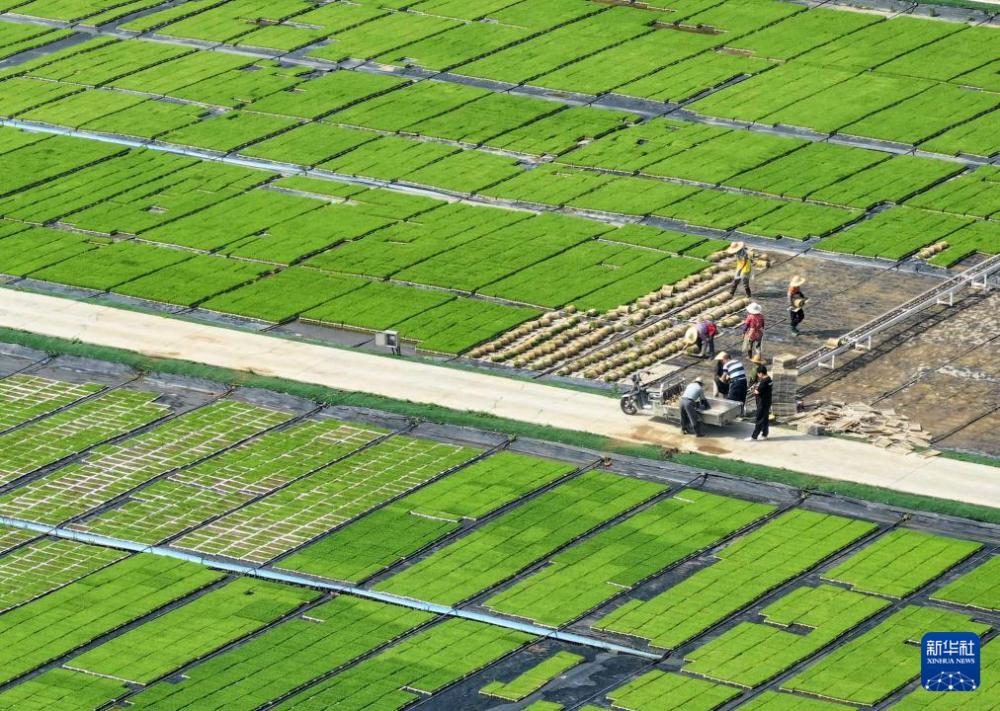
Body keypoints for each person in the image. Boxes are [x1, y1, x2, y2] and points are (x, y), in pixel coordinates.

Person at [745, 366, 773, 441]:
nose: (757, 375)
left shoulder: (764, 381)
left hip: (762, 403)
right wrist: (757, 386)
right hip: (767, 402)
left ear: (761, 373)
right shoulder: (769, 379)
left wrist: (752, 389)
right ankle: (765, 434)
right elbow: (763, 389)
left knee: (759, 419)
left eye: (758, 373)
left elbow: (757, 392)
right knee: (765, 418)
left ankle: (754, 436)